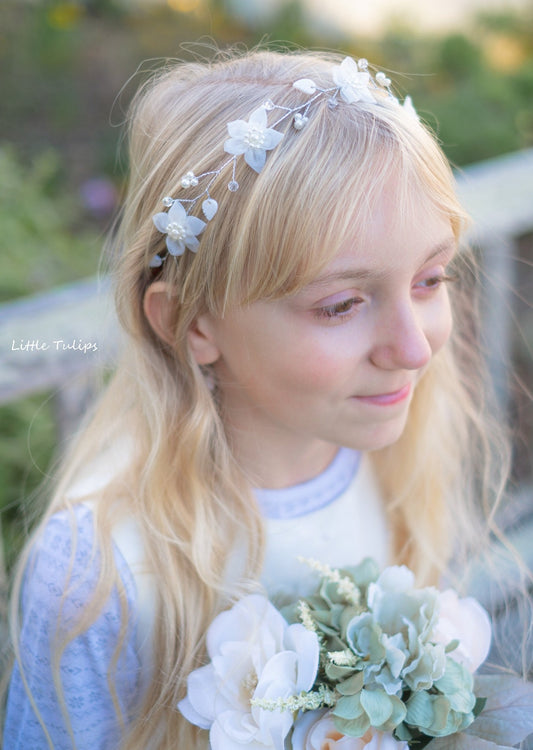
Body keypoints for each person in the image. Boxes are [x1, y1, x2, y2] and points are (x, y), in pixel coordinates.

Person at [2, 48, 515, 749]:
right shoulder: (99, 575)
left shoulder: (392, 454)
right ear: (191, 322)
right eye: (340, 305)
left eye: (430, 279)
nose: (415, 348)